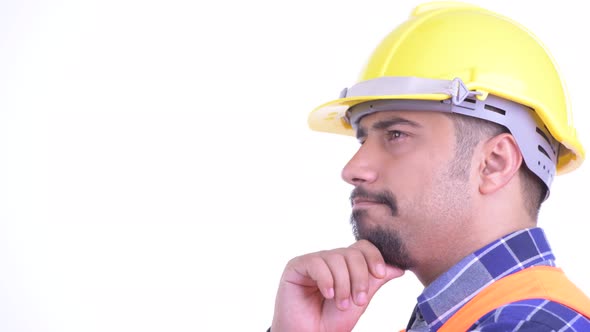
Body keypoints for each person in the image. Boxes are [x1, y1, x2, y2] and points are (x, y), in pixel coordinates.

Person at [268, 2, 590, 332]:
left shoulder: (529, 326)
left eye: (396, 135)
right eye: (362, 140)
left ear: (494, 163)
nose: (353, 168)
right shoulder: (473, 319)